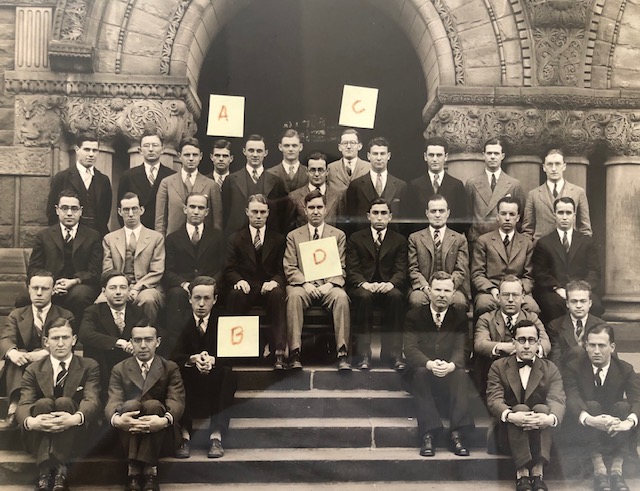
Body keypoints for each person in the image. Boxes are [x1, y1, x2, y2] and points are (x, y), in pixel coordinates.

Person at [16, 317, 101, 491]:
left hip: (75, 433)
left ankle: (54, 471)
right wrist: (31, 422)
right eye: (55, 338)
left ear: (74, 340)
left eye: (65, 337)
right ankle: (48, 471)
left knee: (64, 402)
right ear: (46, 342)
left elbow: (92, 399)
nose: (61, 343)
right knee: (43, 403)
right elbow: (24, 402)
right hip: (40, 432)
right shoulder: (33, 369)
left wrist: (75, 418)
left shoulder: (89, 366)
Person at [487, 320, 565, 491]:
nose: (527, 345)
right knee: (520, 409)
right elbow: (494, 399)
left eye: (532, 340)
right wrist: (511, 416)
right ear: (513, 342)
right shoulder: (498, 367)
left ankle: (538, 473)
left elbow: (557, 399)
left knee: (544, 409)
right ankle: (522, 474)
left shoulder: (550, 368)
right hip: (507, 434)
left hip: (540, 434)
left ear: (538, 343)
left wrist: (549, 419)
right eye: (522, 340)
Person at [106, 324, 185, 491]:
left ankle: (146, 470)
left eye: (148, 340)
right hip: (128, 435)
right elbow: (113, 401)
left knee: (153, 405)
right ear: (131, 343)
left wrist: (163, 421)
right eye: (137, 340)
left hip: (161, 434)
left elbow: (176, 401)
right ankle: (136, 470)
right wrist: (118, 420)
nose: (143, 345)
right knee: (130, 405)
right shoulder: (119, 369)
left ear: (158, 342)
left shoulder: (169, 367)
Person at [403, 271, 474, 458]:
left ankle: (457, 433)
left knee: (461, 373)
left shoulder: (459, 317)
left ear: (453, 294)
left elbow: (462, 349)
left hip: (448, 373)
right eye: (437, 290)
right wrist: (429, 364)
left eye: (446, 290)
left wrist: (451, 365)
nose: (442, 295)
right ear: (429, 291)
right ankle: (429, 433)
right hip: (423, 372)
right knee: (419, 372)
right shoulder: (414, 315)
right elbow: (410, 349)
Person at [564, 324, 640, 491]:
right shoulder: (574, 368)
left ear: (612, 347)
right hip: (587, 429)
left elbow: (637, 399)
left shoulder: (625, 369)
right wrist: (590, 419)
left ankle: (616, 470)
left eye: (602, 345)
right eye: (592, 345)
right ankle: (600, 470)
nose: (596, 351)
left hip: (615, 427)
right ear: (586, 346)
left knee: (624, 407)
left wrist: (628, 422)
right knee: (590, 405)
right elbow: (572, 397)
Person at [284, 190, 351, 371]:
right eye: (311, 207)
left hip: (328, 286)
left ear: (326, 209)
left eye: (319, 207)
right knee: (294, 296)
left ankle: (342, 352)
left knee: (341, 297)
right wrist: (305, 283)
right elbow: (290, 267)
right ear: (305, 210)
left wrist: (329, 285)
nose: (315, 211)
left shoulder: (337, 235)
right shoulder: (294, 236)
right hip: (303, 286)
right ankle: (295, 352)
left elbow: (342, 267)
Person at [171, 276, 236, 460]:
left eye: (206, 298)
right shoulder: (178, 321)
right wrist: (192, 359)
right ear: (189, 298)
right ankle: (184, 435)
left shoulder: (224, 320)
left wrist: (213, 360)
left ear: (215, 299)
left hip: (214, 377)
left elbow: (234, 354)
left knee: (228, 374)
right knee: (177, 373)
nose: (201, 303)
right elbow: (173, 355)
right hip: (190, 376)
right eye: (197, 298)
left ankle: (216, 435)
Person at [0, 271, 74, 428]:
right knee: (14, 358)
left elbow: (66, 343)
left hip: (51, 361)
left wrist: (46, 352)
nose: (39, 293)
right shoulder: (17, 314)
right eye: (35, 288)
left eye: (45, 289)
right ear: (29, 289)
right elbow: (6, 338)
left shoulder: (65, 315)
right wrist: (13, 352)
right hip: (22, 364)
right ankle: (14, 408)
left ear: (53, 290)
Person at [224, 195, 287, 370]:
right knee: (235, 294)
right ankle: (234, 352)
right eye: (254, 212)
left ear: (268, 213)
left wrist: (275, 281)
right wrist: (238, 280)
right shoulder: (235, 238)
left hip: (268, 288)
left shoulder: (279, 239)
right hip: (246, 287)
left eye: (262, 212)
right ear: (247, 212)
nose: (258, 216)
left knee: (278, 294)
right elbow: (229, 269)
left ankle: (279, 353)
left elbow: (283, 270)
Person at [346, 198, 407, 370]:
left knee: (396, 297)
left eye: (383, 213)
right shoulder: (356, 238)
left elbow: (401, 270)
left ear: (390, 216)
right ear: (368, 216)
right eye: (375, 213)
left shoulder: (399, 240)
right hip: (364, 288)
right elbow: (352, 269)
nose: (379, 217)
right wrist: (364, 284)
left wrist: (391, 284)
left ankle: (393, 354)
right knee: (364, 298)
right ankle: (364, 354)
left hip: (388, 287)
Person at [28, 190, 102, 322]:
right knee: (23, 298)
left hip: (80, 285)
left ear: (81, 211)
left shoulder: (93, 236)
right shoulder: (44, 236)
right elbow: (34, 268)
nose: (69, 213)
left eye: (74, 209)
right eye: (64, 208)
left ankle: (75, 337)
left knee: (80, 295)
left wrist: (74, 281)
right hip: (50, 284)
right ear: (57, 210)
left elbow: (95, 272)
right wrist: (50, 284)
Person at [163, 193, 226, 346]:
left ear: (207, 212)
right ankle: (176, 348)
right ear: (185, 209)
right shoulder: (173, 238)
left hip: (211, 285)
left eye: (200, 207)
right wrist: (184, 284)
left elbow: (223, 267)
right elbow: (168, 271)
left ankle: (217, 347)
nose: (196, 211)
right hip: (184, 287)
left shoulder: (218, 237)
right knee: (175, 294)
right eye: (192, 207)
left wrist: (212, 284)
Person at [474, 276, 551, 397]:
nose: (510, 300)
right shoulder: (487, 319)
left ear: (523, 297)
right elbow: (480, 343)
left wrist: (527, 347)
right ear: (498, 297)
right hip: (496, 375)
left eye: (515, 295)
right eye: (506, 295)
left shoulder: (531, 318)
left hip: (524, 373)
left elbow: (545, 343)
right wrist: (502, 346)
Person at [533, 196, 603, 324]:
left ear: (574, 215)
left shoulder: (586, 241)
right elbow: (540, 273)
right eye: (560, 213)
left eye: (568, 213)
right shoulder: (544, 243)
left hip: (581, 290)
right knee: (553, 306)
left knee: (596, 305)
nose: (564, 217)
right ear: (554, 215)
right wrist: (558, 289)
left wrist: (581, 290)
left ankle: (588, 340)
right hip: (554, 291)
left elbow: (594, 271)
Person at [78, 271, 147, 400]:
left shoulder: (138, 311)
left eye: (123, 287)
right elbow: (85, 335)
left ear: (129, 290)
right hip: (103, 369)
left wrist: (135, 344)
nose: (118, 292)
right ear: (104, 291)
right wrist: (118, 342)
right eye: (113, 288)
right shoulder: (93, 311)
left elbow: (148, 332)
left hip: (130, 368)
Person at [102, 192, 165, 323]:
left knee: (147, 299)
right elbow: (108, 271)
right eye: (126, 210)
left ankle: (146, 336)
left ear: (141, 210)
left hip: (147, 287)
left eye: (134, 209)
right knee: (100, 302)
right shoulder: (110, 239)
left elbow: (157, 271)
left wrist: (136, 288)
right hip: (118, 286)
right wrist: (123, 288)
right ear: (119, 211)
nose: (130, 214)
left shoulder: (156, 238)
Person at [471, 196, 539, 316]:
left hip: (518, 292)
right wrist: (492, 289)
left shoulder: (526, 243)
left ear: (518, 217)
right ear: (497, 216)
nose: (507, 218)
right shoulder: (484, 241)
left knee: (532, 307)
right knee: (483, 304)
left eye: (512, 214)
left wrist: (518, 291)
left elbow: (529, 276)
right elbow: (477, 274)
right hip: (491, 291)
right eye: (503, 214)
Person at [407, 195, 469, 310]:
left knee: (459, 301)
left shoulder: (459, 239)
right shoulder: (415, 238)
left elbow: (461, 270)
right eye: (433, 211)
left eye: (441, 211)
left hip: (451, 287)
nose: (437, 215)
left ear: (448, 213)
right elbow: (413, 269)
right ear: (427, 213)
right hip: (424, 288)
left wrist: (446, 288)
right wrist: (426, 288)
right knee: (417, 300)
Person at [46, 133, 112, 237]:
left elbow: (105, 214)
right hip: (70, 237)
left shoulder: (103, 180)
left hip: (95, 237)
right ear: (77, 150)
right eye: (86, 149)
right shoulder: (62, 177)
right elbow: (52, 212)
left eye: (94, 150)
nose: (91, 154)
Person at [155, 137, 222, 236]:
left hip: (203, 243)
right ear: (179, 156)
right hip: (174, 242)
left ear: (201, 156)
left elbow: (217, 222)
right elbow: (160, 221)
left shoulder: (211, 185)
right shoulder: (167, 183)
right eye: (187, 155)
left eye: (195, 155)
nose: (191, 159)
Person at [221, 134, 287, 234]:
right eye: (251, 150)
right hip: (237, 239)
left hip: (268, 238)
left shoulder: (276, 182)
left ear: (266, 153)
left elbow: (281, 215)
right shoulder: (231, 180)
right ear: (244, 152)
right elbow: (225, 213)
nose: (255, 155)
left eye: (259, 151)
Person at [465, 138, 525, 245]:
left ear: (502, 156)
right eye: (489, 153)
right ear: (483, 155)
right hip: (478, 242)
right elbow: (467, 216)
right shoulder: (472, 184)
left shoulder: (514, 184)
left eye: (496, 153)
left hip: (504, 242)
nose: (492, 156)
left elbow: (521, 217)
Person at [522, 148, 592, 240]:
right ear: (544, 167)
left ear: (564, 166)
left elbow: (585, 228)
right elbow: (527, 230)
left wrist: (581, 250)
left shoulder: (578, 192)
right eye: (550, 164)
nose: (554, 169)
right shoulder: (534, 195)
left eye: (558, 164)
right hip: (541, 250)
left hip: (568, 250)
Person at [405, 137, 466, 234]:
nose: (435, 159)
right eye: (431, 155)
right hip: (422, 241)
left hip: (449, 242)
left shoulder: (456, 185)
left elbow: (462, 219)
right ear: (425, 156)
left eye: (439, 155)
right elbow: (409, 219)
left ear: (445, 157)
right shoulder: (414, 186)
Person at [345, 136, 406, 230]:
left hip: (393, 239)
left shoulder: (400, 186)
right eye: (375, 154)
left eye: (382, 154)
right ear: (368, 156)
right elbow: (350, 219)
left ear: (388, 156)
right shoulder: (356, 185)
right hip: (363, 239)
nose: (378, 158)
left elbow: (403, 220)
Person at [117, 132, 175, 230]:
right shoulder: (128, 176)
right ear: (140, 150)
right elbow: (121, 209)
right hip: (137, 231)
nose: (151, 149)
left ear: (163, 149)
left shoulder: (172, 176)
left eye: (155, 145)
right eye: (146, 146)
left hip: (162, 231)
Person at [547, 280, 605, 370]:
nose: (578, 306)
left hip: (592, 376)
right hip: (566, 374)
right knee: (577, 351)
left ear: (590, 303)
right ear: (567, 303)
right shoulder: (555, 326)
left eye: (583, 301)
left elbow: (609, 357)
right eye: (574, 301)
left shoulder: (601, 325)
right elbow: (555, 359)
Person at [288, 152, 343, 229]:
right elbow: (290, 226)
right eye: (313, 170)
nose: (316, 174)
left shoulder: (338, 196)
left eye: (320, 170)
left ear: (327, 171)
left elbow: (341, 226)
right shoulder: (294, 196)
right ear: (307, 171)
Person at [326, 128, 370, 196]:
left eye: (352, 143)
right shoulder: (331, 168)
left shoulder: (369, 168)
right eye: (345, 143)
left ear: (359, 146)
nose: (348, 146)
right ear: (339, 147)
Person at [267, 129, 309, 193]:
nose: (290, 149)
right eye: (286, 146)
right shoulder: (269, 174)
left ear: (300, 147)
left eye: (294, 146)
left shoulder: (309, 173)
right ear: (280, 147)